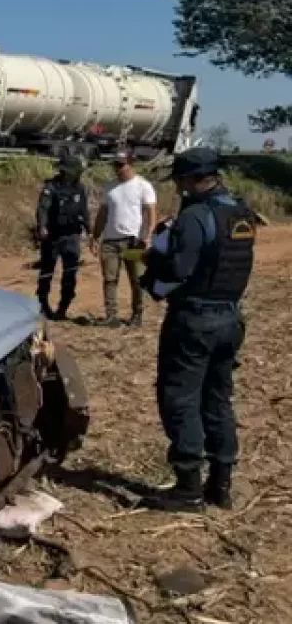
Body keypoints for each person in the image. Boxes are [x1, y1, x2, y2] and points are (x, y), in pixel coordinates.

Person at [139, 147, 255, 512]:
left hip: (194, 320)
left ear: (190, 180)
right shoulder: (242, 213)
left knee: (180, 397)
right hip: (231, 319)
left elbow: (178, 270)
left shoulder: (195, 217)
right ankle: (221, 485)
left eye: (179, 180)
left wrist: (152, 262)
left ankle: (188, 487)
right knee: (217, 398)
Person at [90, 151, 156, 327]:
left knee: (137, 279)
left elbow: (151, 213)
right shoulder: (110, 188)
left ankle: (137, 315)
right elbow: (102, 214)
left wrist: (148, 235)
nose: (117, 168)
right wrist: (95, 236)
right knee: (110, 279)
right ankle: (111, 317)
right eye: (115, 165)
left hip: (133, 242)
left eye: (121, 164)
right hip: (110, 242)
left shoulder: (143, 186)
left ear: (131, 164)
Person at [34, 154, 90, 320]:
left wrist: (90, 230)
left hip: (72, 236)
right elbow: (42, 209)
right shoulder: (51, 187)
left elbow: (84, 211)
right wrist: (42, 226)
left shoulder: (80, 189)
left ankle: (63, 307)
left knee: (70, 273)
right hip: (52, 236)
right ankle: (42, 304)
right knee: (46, 271)